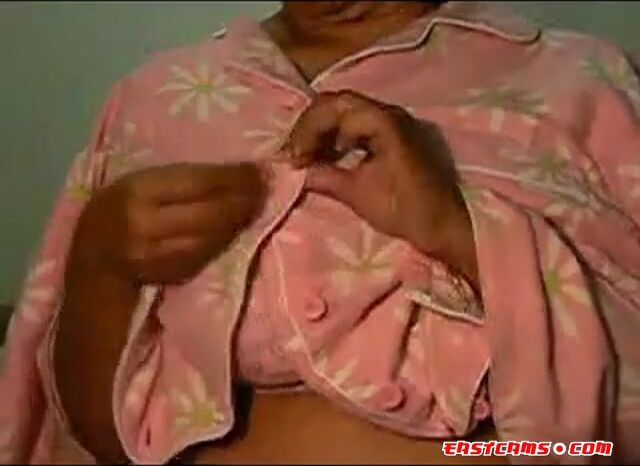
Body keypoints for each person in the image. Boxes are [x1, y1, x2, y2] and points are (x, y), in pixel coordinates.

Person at [1, 1, 639, 464]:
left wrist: (460, 229)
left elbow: (606, 439)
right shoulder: (154, 100)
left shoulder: (583, 80)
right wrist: (102, 269)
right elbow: (93, 443)